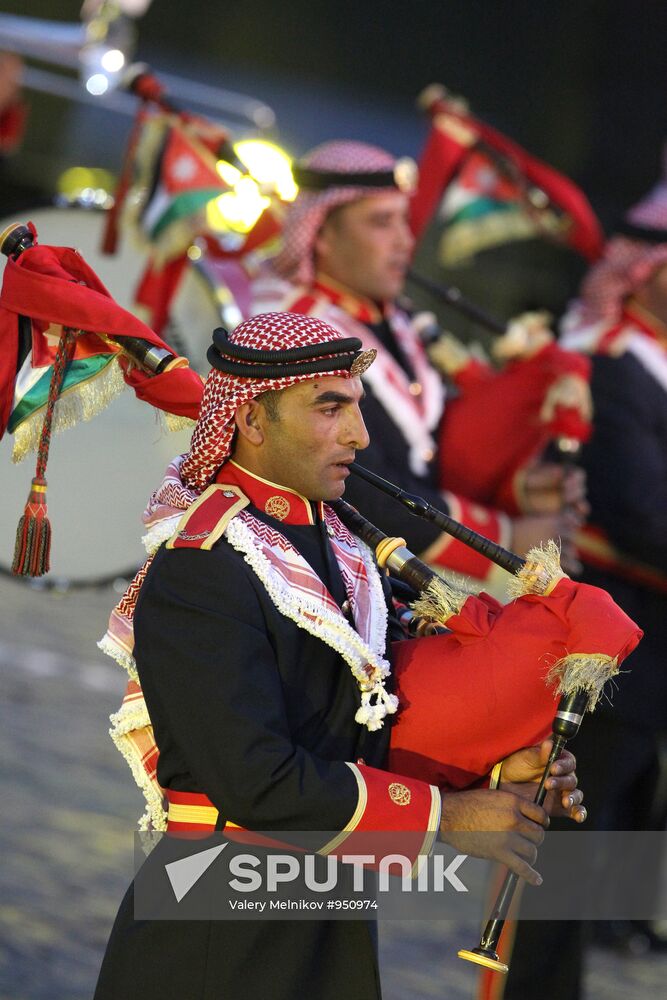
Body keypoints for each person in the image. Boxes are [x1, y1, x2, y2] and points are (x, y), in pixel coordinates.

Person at [94, 311, 585, 1000]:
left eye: (355, 407)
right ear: (252, 422)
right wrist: (448, 818)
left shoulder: (340, 551)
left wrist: (502, 765)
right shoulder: (202, 567)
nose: (358, 435)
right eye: (329, 408)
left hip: (327, 906)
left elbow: (365, 726)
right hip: (216, 936)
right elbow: (252, 780)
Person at [251, 140, 586, 587]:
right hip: (346, 575)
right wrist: (505, 536)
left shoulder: (392, 318)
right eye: (381, 222)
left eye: (404, 222)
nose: (404, 242)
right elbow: (362, 484)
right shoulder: (297, 330)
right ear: (321, 234)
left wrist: (520, 490)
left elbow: (431, 449)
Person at [497, 157, 667, 999]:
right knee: (566, 840)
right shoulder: (607, 364)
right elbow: (643, 513)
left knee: (614, 831)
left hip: (649, 648)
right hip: (607, 646)